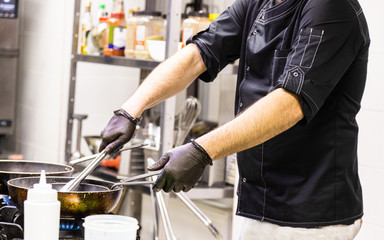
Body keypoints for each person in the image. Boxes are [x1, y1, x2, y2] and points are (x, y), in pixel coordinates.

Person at [99, 0, 370, 239]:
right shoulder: (258, 4)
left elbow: (290, 103)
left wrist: (201, 150)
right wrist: (130, 109)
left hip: (310, 218)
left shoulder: (332, 8)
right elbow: (196, 56)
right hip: (256, 204)